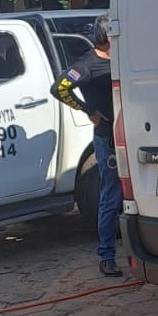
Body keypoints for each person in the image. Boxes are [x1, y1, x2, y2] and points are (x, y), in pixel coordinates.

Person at [51, 14, 124, 277]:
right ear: (106, 36)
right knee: (110, 196)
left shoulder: (122, 59)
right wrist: (87, 110)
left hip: (131, 133)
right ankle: (107, 256)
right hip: (107, 139)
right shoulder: (87, 64)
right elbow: (59, 88)